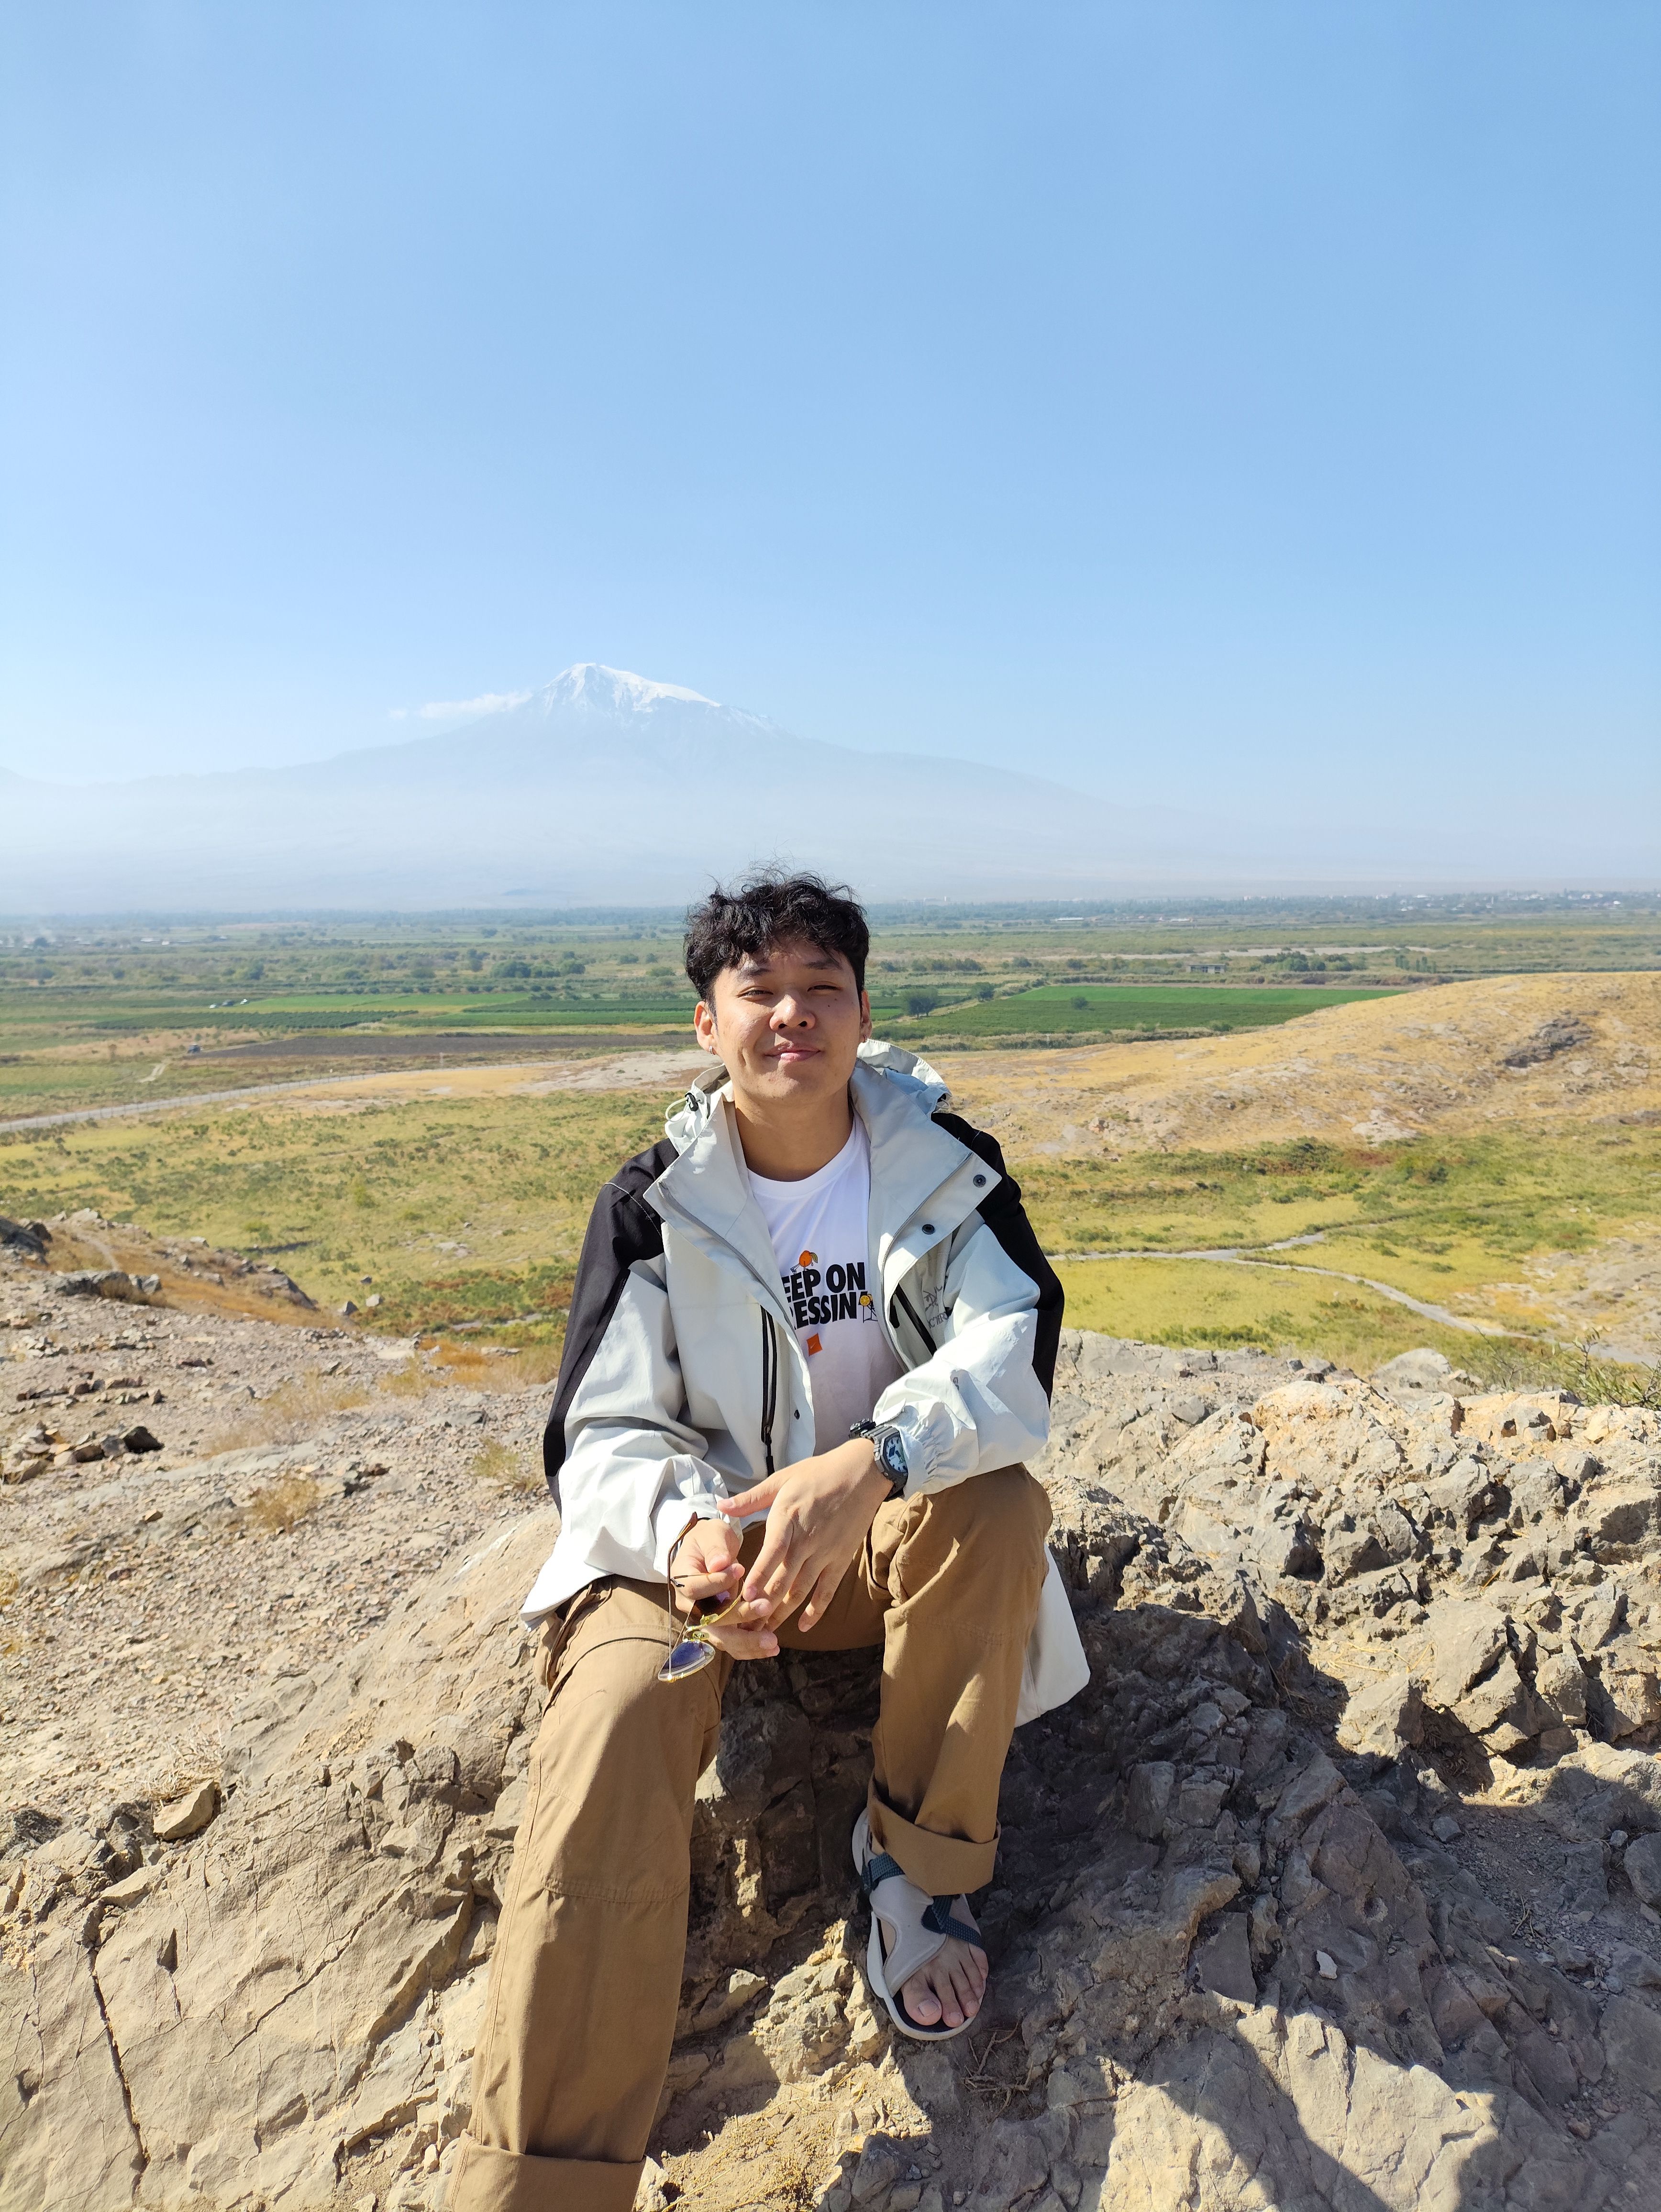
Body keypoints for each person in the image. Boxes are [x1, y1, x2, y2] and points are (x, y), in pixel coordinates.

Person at [450, 873, 1086, 2212]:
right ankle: (542, 2184)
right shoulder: (655, 1204)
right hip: (692, 1563)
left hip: (867, 1542)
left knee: (997, 1504)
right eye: (761, 991)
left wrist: (871, 1465)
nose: (792, 1015)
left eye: (823, 989)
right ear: (706, 1022)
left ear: (864, 1015)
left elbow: (1014, 1349)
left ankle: (915, 1878)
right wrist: (693, 1539)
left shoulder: (941, 1165)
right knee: (615, 1716)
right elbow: (600, 1433)